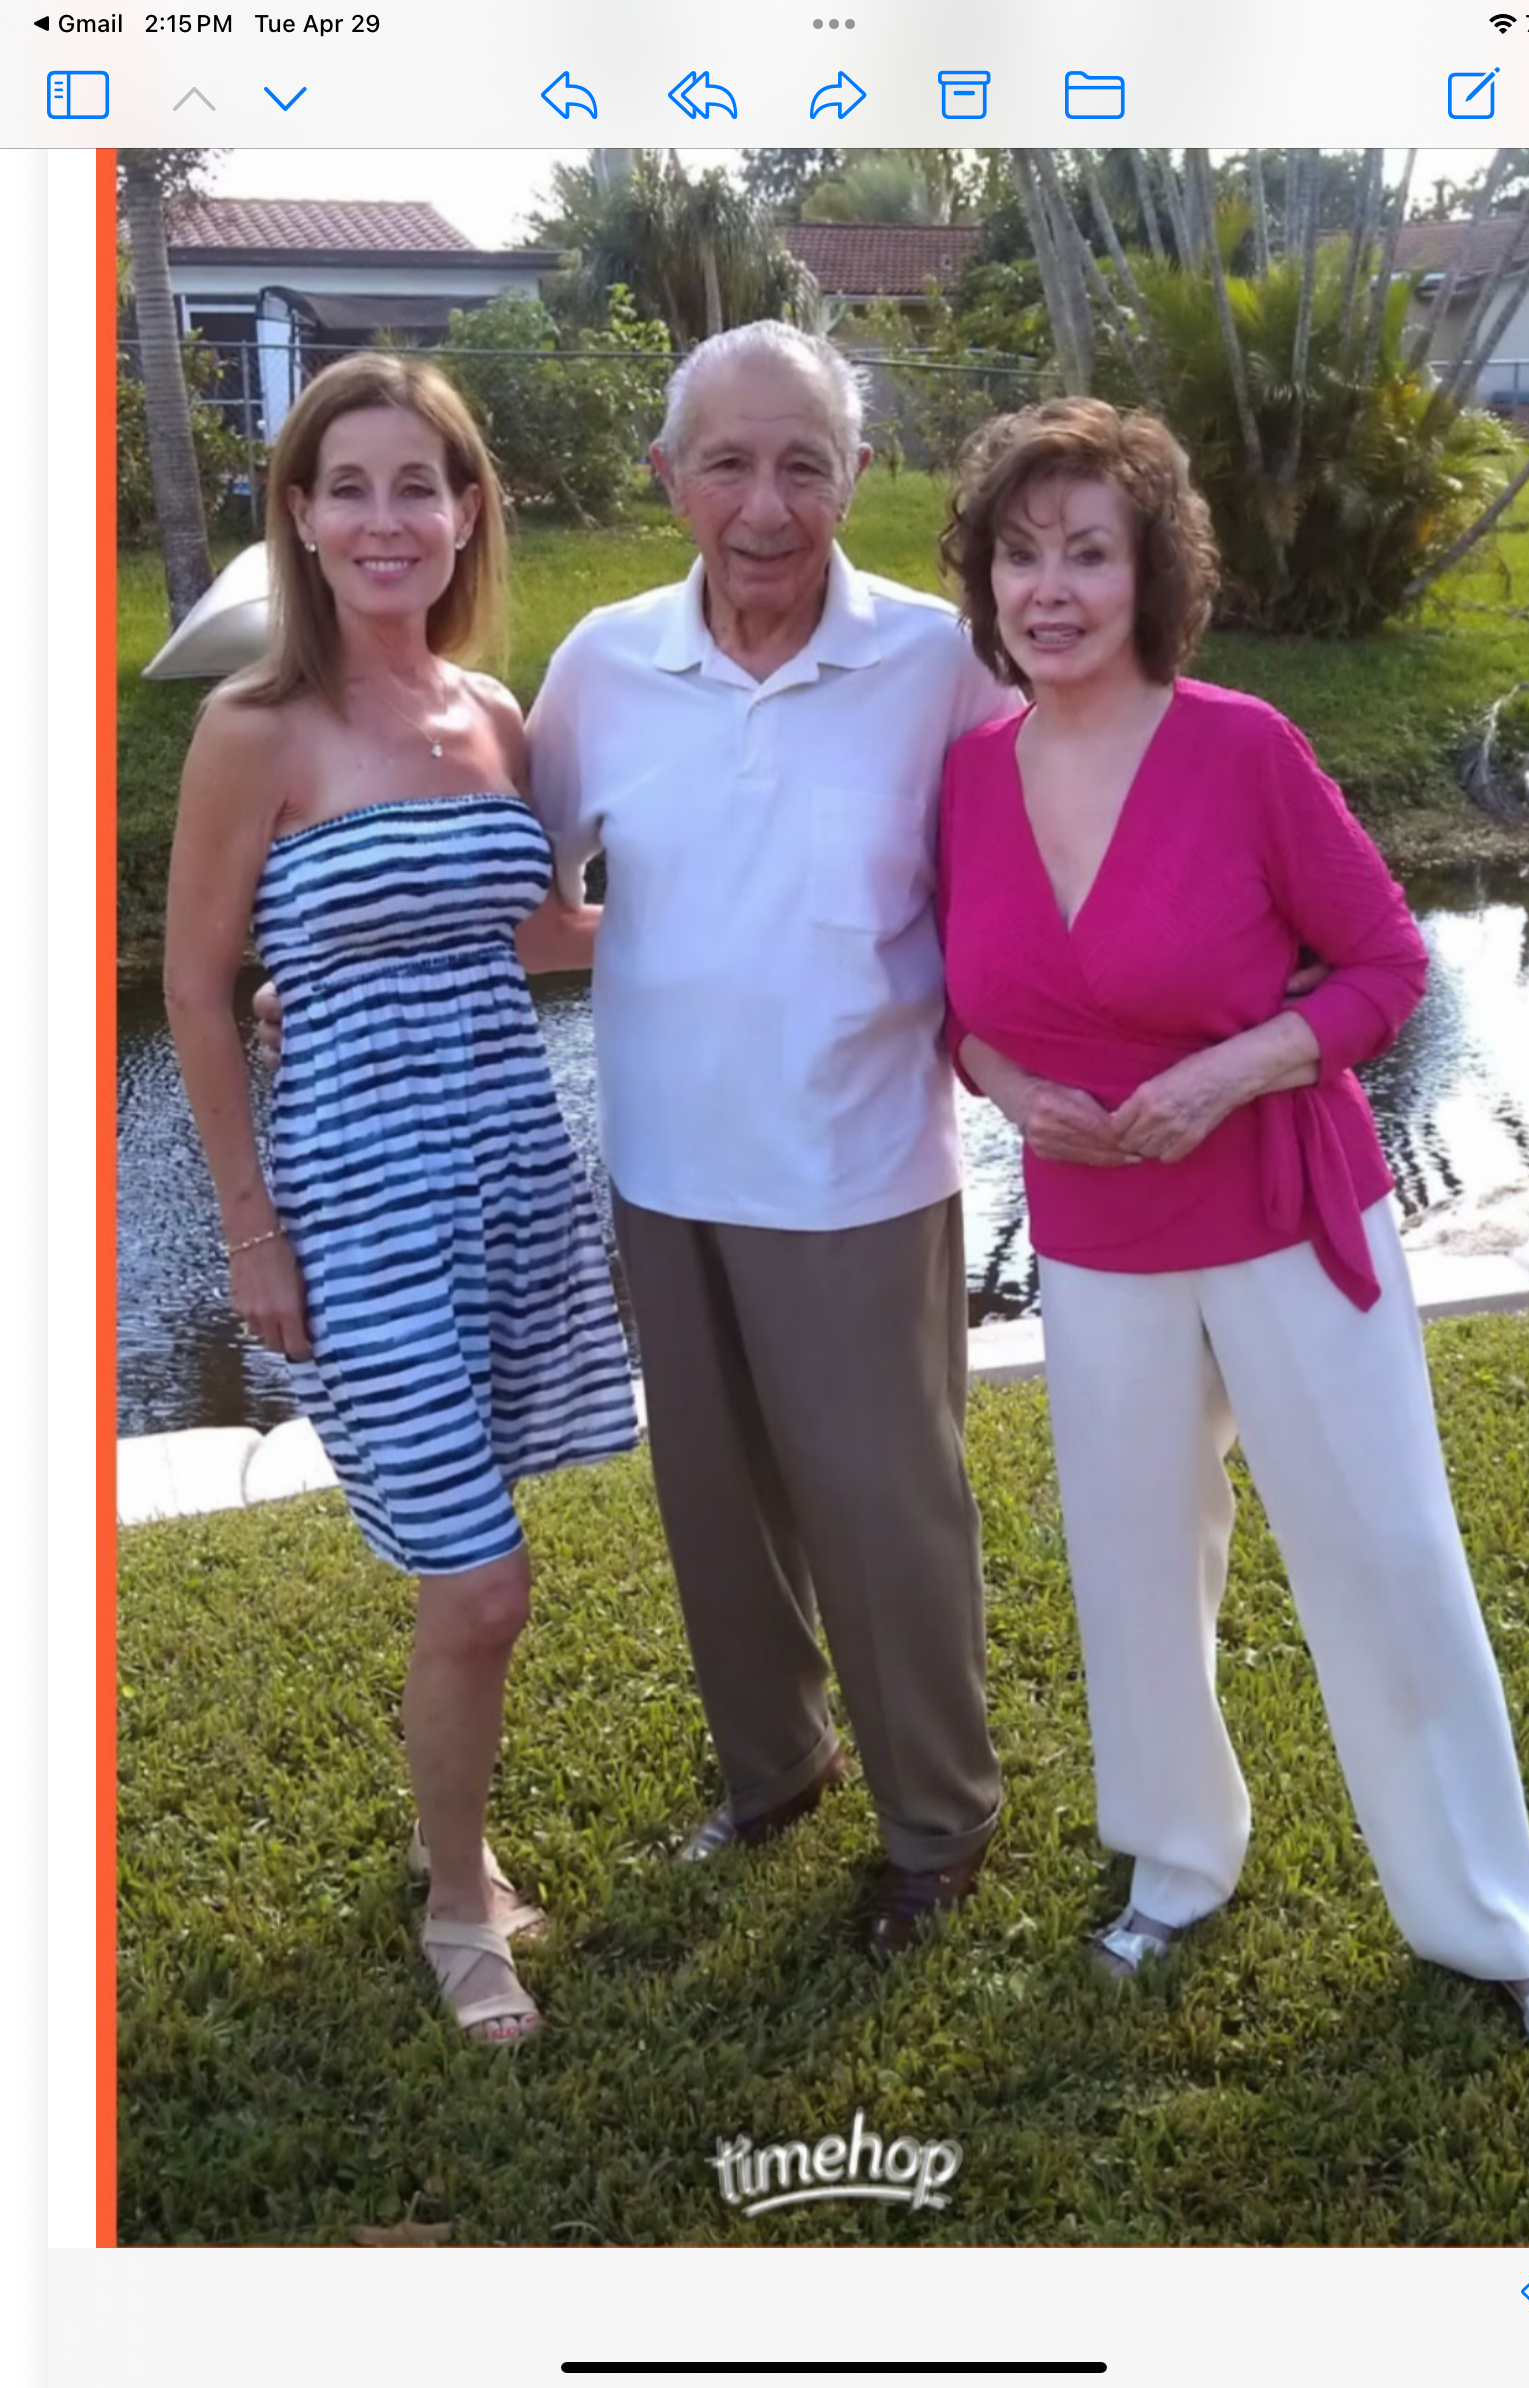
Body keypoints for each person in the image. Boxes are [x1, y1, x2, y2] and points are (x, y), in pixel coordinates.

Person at [936, 397, 1529, 2044]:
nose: (1049, 587)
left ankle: (1494, 1921)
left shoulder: (1240, 747)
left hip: (1285, 1209)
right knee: (1132, 1563)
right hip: (1092, 1232)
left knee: (1381, 1550)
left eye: (1088, 552)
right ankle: (1174, 1864)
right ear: (984, 577)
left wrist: (1225, 1075)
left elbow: (1386, 968)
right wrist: (1000, 1082)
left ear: (1152, 577)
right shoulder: (969, 778)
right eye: (1020, 553)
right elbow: (954, 1000)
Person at [524, 322, 1022, 1955]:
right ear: (668, 479)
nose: (765, 501)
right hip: (663, 1162)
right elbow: (532, 901)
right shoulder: (601, 663)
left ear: (856, 478)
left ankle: (939, 1819)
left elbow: (1019, 889)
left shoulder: (939, 660)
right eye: (727, 461)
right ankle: (775, 1767)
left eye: (803, 461)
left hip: (862, 1167)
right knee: (714, 1502)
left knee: (886, 1509)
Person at [165, 354, 638, 2044]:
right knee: (482, 1578)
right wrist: (246, 1224)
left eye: (416, 488)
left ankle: (462, 1859)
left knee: (491, 1553)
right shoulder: (254, 730)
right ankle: (458, 1903)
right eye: (348, 486)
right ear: (299, 516)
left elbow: (518, 932)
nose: (386, 519)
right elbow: (200, 991)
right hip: (358, 1202)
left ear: (464, 516)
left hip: (510, 1173)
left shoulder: (491, 717)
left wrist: (729, 893)